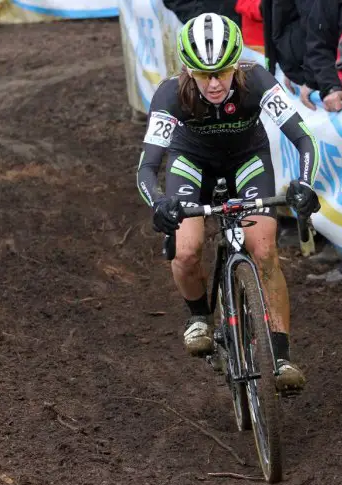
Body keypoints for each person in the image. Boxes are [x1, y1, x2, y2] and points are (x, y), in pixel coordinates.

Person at [136, 14, 321, 392]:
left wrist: (304, 184)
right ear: (188, 71)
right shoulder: (170, 93)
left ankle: (281, 357)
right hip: (191, 163)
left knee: (264, 248)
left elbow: (304, 139)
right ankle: (200, 317)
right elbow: (147, 167)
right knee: (186, 251)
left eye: (223, 72)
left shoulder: (256, 81)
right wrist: (158, 202)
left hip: (247, 160)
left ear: (237, 64)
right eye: (204, 76)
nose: (216, 83)